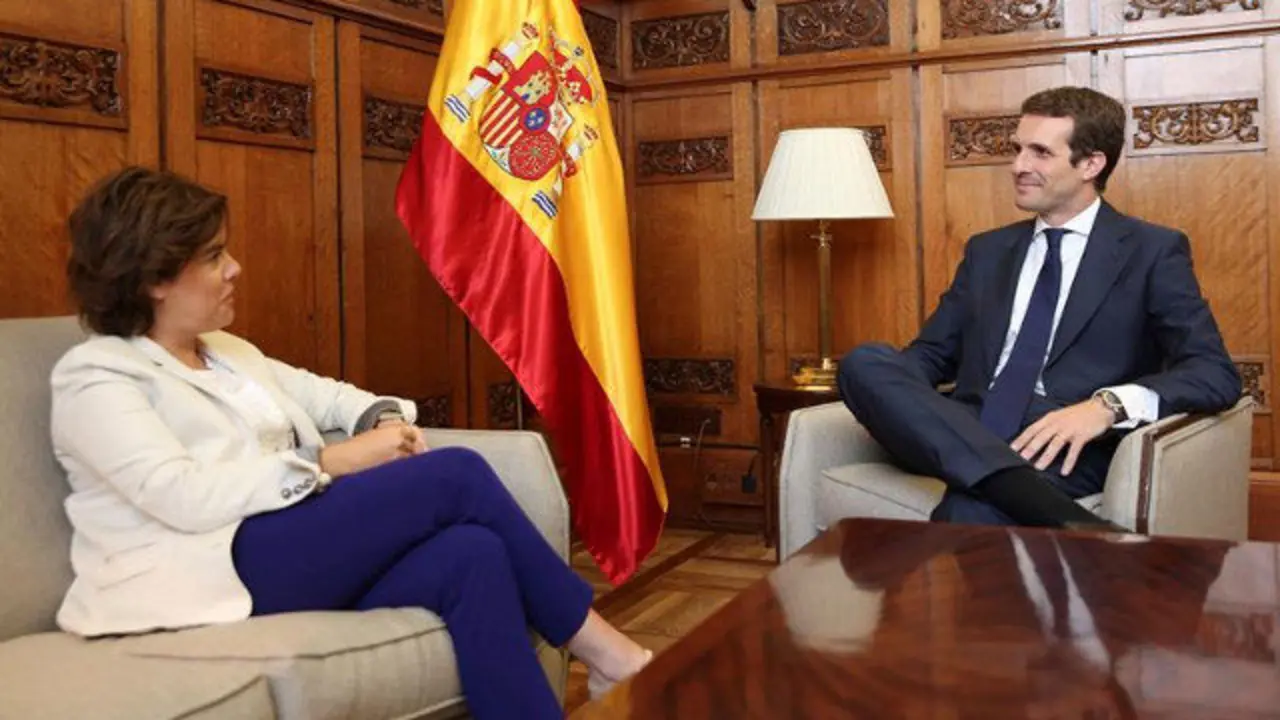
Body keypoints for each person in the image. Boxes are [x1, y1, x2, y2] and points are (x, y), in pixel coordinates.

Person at [50, 166, 649, 719]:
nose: (234, 268)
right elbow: (178, 495)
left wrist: (384, 423)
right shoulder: (98, 376)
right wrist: (328, 461)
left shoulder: (229, 353)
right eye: (213, 256)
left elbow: (334, 399)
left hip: (295, 547)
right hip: (217, 567)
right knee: (457, 475)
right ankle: (608, 654)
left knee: (471, 554)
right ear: (155, 277)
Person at [839, 86, 1241, 529]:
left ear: (1091, 164)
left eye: (1040, 153)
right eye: (1017, 150)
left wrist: (1107, 405)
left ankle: (1010, 493)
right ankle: (1061, 517)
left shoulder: (1151, 251)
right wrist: (896, 404)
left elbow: (1214, 374)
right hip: (968, 425)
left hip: (1058, 445)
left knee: (969, 510)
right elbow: (930, 355)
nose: (1018, 166)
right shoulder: (987, 251)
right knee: (864, 363)